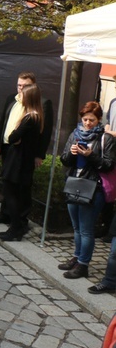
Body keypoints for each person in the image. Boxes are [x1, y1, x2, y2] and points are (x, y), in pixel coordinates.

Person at [58, 101, 115, 279]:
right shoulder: (75, 134)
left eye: (91, 120)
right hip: (74, 183)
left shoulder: (106, 139)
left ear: (99, 120)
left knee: (86, 229)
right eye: (85, 119)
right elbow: (64, 160)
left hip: (93, 187)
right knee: (76, 227)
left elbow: (108, 165)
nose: (87, 123)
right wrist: (72, 153)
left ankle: (83, 265)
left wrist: (91, 156)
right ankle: (77, 257)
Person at [0, 72, 54, 225]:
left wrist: (39, 155)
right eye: (19, 85)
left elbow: (46, 132)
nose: (21, 89)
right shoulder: (11, 99)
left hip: (25, 152)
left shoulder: (43, 103)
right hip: (7, 148)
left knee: (22, 187)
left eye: (25, 86)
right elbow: (3, 123)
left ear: (33, 86)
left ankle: (21, 220)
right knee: (8, 185)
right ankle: (4, 214)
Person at [0, 85, 44, 241]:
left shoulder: (30, 117)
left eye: (23, 95)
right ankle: (15, 227)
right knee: (13, 193)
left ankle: (16, 227)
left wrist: (16, 135)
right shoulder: (36, 116)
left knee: (10, 193)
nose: (20, 97)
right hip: (21, 160)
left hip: (18, 160)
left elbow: (12, 137)